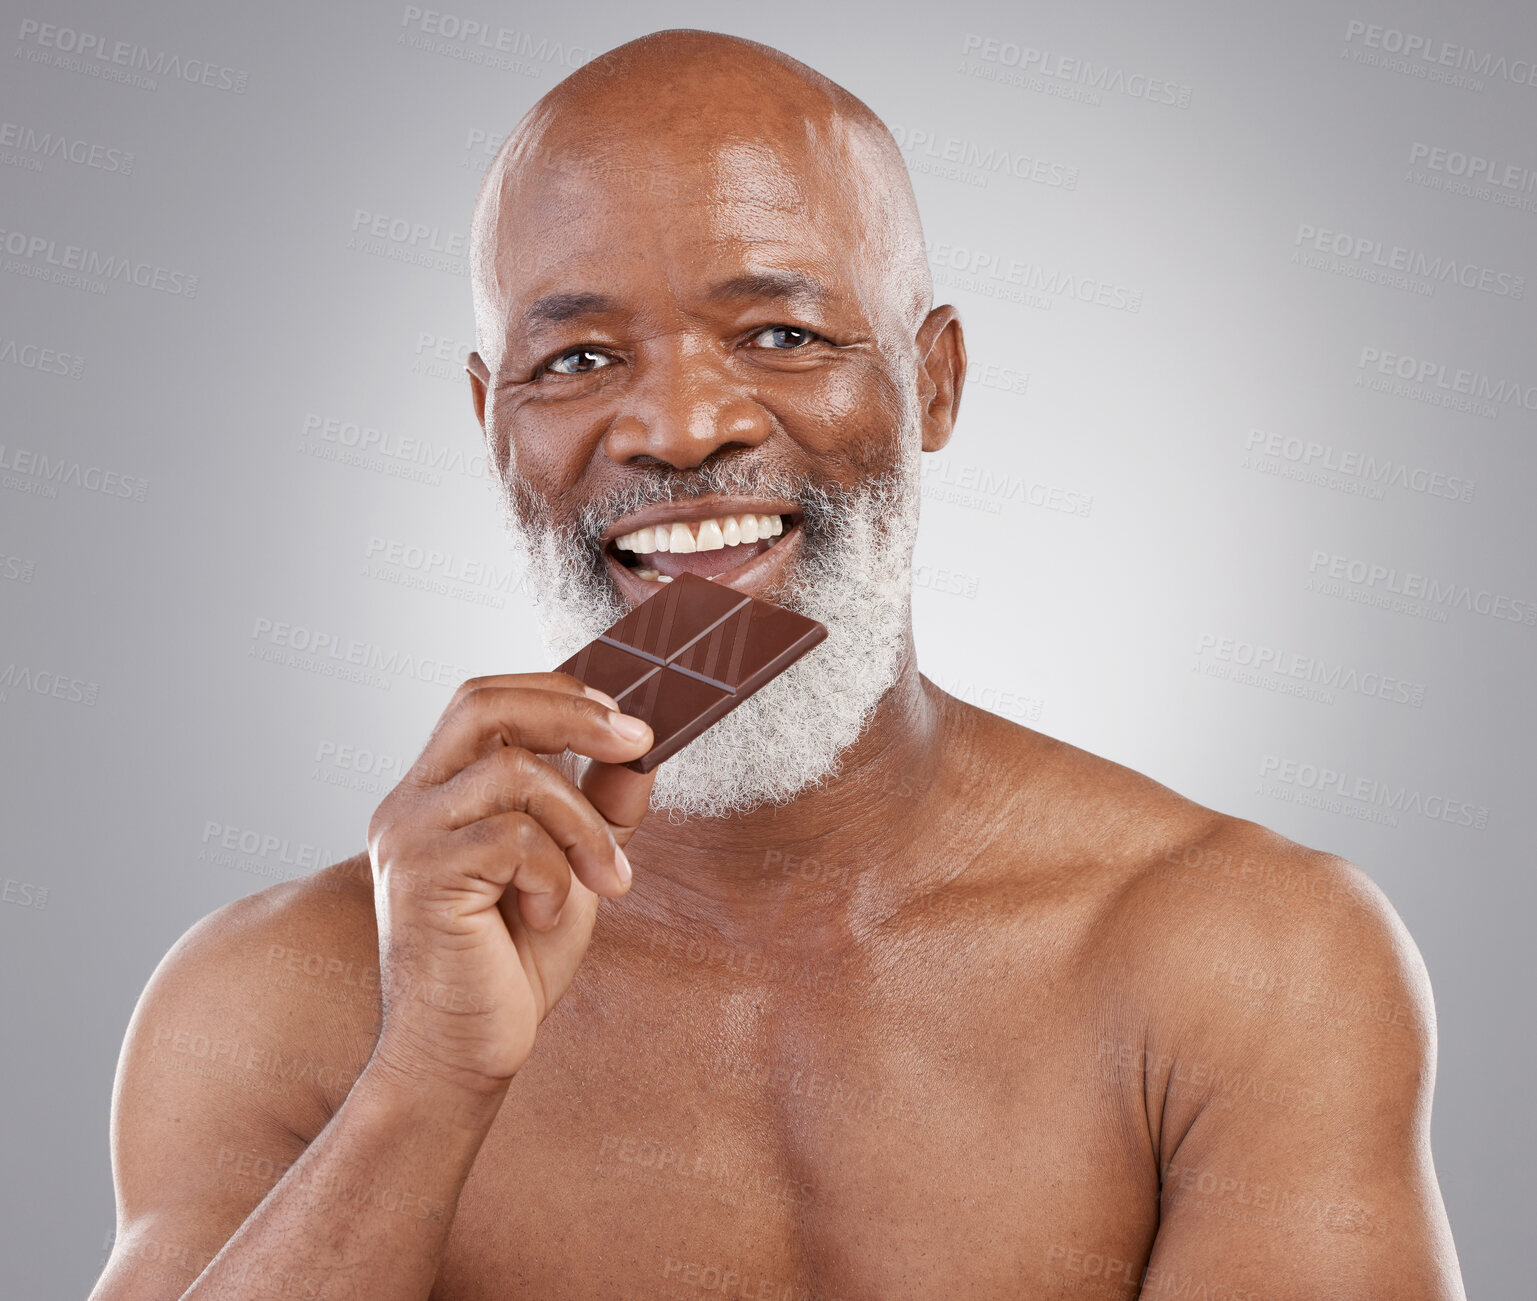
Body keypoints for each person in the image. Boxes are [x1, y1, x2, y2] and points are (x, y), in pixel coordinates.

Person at [91, 29, 1465, 1301]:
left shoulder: (1246, 961)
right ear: (491, 424)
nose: (679, 428)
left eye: (781, 335)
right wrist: (422, 1085)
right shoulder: (279, 1003)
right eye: (575, 357)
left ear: (931, 381)